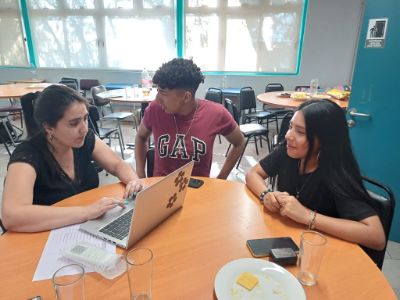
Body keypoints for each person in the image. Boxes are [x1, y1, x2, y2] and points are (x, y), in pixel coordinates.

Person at [245, 99, 385, 251]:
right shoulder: (288, 151)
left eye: (300, 132)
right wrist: (266, 195)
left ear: (324, 140)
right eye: (290, 127)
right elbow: (253, 173)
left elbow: (376, 237)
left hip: (323, 251)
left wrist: (307, 216)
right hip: (290, 241)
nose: (288, 136)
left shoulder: (336, 173)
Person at [1, 85, 142, 232]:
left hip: (78, 228)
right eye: (74, 123)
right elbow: (12, 216)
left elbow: (117, 164)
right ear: (49, 127)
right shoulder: (28, 155)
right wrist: (86, 212)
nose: (84, 128)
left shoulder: (84, 139)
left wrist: (132, 180)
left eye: (85, 119)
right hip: (41, 235)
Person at [135, 58, 245, 178]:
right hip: (161, 189)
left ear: (186, 97)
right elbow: (141, 137)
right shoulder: (155, 109)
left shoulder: (216, 113)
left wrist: (221, 178)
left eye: (163, 93)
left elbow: (239, 142)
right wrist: (140, 174)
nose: (157, 99)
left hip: (198, 190)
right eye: (158, 91)